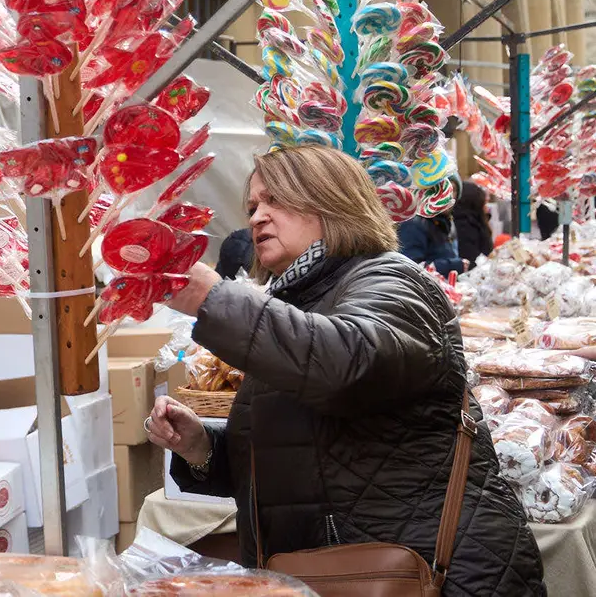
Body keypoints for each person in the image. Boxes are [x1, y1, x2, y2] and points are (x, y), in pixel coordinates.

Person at [145, 146, 545, 595]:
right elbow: (299, 458)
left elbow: (350, 365)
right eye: (254, 205)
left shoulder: (389, 279)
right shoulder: (293, 304)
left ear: (331, 201)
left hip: (431, 573)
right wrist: (204, 448)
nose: (258, 216)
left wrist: (213, 298)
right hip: (347, 571)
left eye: (277, 199)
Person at [398, 178, 468, 275]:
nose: (448, 194)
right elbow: (411, 269)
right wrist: (453, 266)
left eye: (453, 189)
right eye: (442, 188)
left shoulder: (448, 221)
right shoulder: (414, 223)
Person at [452, 181, 494, 266]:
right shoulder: (467, 227)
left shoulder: (456, 222)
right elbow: (473, 259)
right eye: (484, 202)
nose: (486, 206)